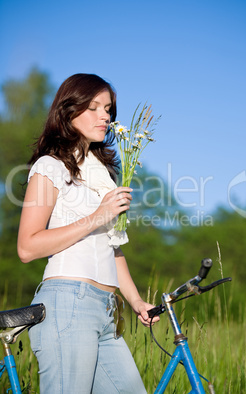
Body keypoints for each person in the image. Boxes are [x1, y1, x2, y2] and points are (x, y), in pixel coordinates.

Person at [17, 73, 159, 393]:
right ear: (69, 111)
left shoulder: (102, 176)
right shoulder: (50, 167)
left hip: (107, 311)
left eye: (108, 109)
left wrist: (137, 302)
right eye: (93, 107)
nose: (105, 116)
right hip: (68, 303)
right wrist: (98, 216)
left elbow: (112, 248)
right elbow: (27, 247)